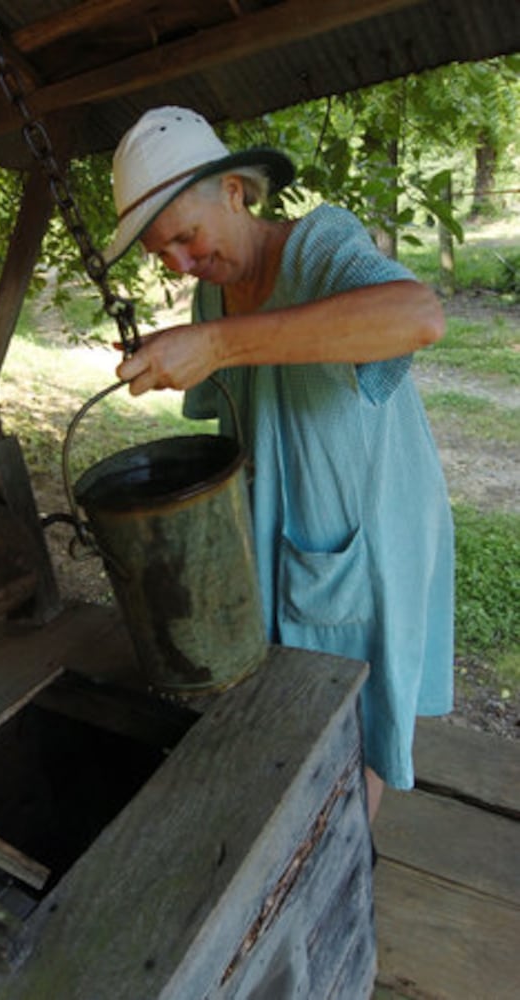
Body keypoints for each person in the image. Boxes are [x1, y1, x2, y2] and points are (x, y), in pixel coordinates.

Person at [104, 106, 454, 823]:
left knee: (350, 723)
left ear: (233, 191)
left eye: (184, 237)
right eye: (158, 253)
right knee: (287, 713)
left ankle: (346, 858)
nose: (178, 263)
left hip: (363, 537)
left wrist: (219, 344)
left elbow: (417, 315)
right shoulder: (215, 289)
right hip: (276, 535)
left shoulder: (320, 247)